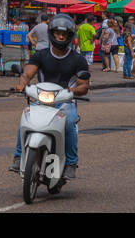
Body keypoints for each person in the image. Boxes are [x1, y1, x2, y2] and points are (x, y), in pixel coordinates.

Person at [11, 14, 90, 178]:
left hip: (65, 102)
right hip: (41, 100)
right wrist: (21, 85)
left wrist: (73, 91)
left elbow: (84, 85)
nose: (60, 37)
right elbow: (27, 73)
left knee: (69, 123)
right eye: (57, 33)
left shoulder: (78, 59)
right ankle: (18, 157)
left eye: (64, 34)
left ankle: (70, 163)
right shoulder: (41, 55)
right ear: (51, 33)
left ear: (69, 36)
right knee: (25, 117)